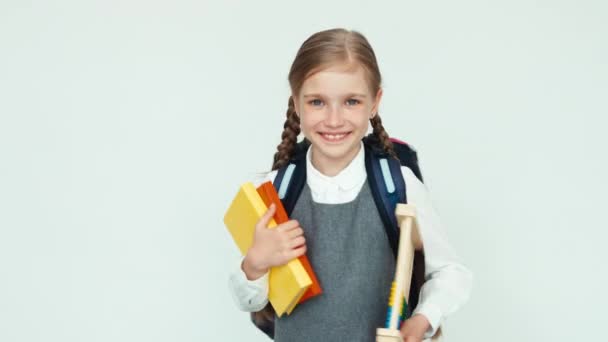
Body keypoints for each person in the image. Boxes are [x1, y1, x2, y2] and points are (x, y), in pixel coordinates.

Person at [227, 28, 472, 342]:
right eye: (317, 102)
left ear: (374, 102)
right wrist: (255, 263)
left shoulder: (397, 185)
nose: (334, 119)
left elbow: (452, 271)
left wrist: (423, 318)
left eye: (351, 101)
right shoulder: (274, 190)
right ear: (296, 102)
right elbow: (252, 302)